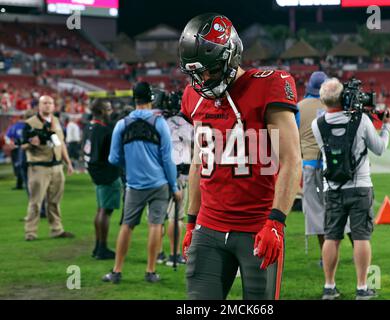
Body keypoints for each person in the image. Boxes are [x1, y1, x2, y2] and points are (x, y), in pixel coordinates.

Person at [179, 13, 301, 300]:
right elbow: (199, 161)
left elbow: (292, 160)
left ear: (232, 57)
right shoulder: (192, 96)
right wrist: (190, 221)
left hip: (257, 227)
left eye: (210, 69)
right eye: (197, 72)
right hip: (208, 227)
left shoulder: (268, 85)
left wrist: (276, 222)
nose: (204, 79)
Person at [311, 78, 390, 300]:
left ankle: (329, 287)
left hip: (333, 188)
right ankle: (362, 287)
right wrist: (386, 126)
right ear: (344, 97)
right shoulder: (361, 121)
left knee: (331, 237)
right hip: (360, 187)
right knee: (361, 237)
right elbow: (380, 149)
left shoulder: (316, 125)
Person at [102, 82, 181, 284]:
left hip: (134, 185)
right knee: (155, 225)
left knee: (126, 226)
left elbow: (113, 158)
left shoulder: (122, 124)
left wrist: (129, 164)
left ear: (133, 99)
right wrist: (174, 187)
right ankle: (150, 271)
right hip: (159, 184)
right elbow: (168, 159)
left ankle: (117, 271)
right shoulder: (159, 123)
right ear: (150, 99)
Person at [298, 72, 352, 268]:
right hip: (337, 165)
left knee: (316, 212)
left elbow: (293, 138)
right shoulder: (337, 106)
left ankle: (324, 256)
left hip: (310, 165)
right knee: (343, 206)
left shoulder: (299, 107)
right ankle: (358, 247)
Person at [21, 95, 75, 241]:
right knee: (35, 201)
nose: (48, 105)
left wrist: (68, 163)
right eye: (44, 103)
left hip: (57, 167)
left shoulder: (56, 121)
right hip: (39, 167)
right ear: (39, 105)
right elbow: (22, 144)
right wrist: (32, 143)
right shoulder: (30, 123)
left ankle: (56, 230)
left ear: (53, 106)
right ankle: (30, 232)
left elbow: (61, 143)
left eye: (50, 103)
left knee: (55, 201)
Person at [157, 92, 193, 267]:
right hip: (179, 174)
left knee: (158, 218)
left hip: (158, 175)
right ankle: (174, 254)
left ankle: (158, 254)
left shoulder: (157, 123)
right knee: (176, 218)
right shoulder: (186, 124)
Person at [83, 99, 121, 260]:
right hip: (107, 174)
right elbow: (112, 154)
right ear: (102, 111)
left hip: (96, 173)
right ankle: (102, 248)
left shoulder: (89, 127)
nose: (111, 112)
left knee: (101, 209)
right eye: (108, 109)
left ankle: (98, 246)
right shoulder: (104, 130)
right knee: (105, 211)